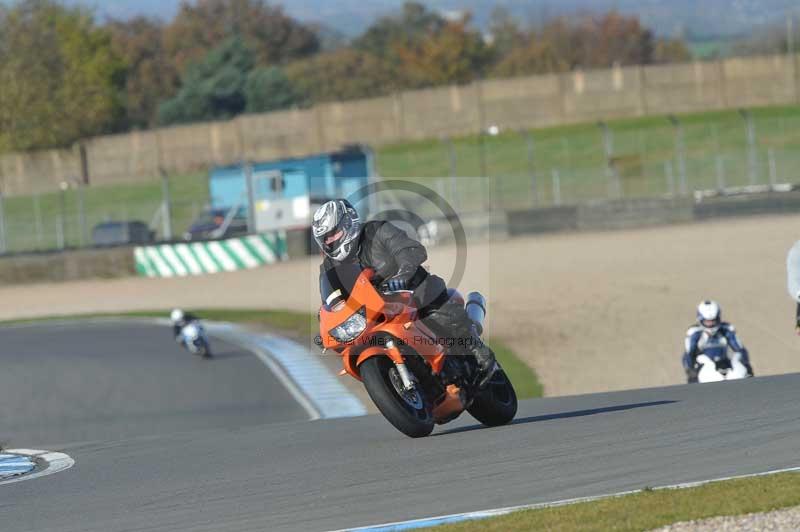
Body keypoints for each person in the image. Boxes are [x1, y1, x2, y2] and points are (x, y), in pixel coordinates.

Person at [312, 199, 496, 381]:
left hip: (411, 291)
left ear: (348, 222)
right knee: (354, 344)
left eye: (334, 233)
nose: (330, 241)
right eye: (325, 238)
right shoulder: (328, 267)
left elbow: (410, 250)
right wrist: (326, 327)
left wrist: (402, 274)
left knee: (438, 310)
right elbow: (330, 301)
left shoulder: (377, 231)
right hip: (375, 312)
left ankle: (477, 351)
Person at [682, 300, 753, 383]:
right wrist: (691, 371)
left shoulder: (726, 329)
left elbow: (740, 349)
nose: (711, 324)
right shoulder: (694, 333)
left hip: (725, 365)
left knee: (746, 375)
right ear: (700, 319)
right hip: (703, 367)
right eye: (707, 321)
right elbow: (688, 355)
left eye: (713, 321)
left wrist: (746, 366)